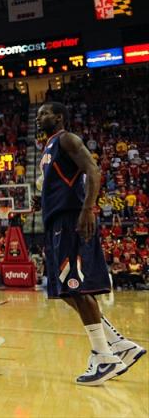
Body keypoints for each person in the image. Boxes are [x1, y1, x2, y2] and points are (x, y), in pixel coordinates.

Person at [34, 102, 145, 385]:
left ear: (60, 117)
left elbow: (93, 171)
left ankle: (103, 356)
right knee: (67, 291)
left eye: (45, 113)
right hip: (57, 222)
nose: (39, 117)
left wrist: (88, 209)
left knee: (76, 288)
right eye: (38, 114)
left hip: (72, 220)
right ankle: (118, 344)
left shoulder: (67, 139)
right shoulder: (47, 148)